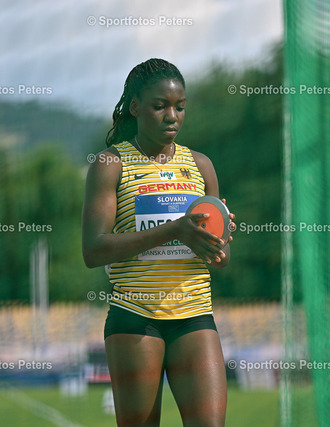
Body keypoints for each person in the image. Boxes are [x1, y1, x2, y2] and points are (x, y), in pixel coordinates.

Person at [82, 58, 234, 426]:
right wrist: (174, 229)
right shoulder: (110, 164)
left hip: (194, 316)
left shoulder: (201, 166)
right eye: (160, 106)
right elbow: (93, 250)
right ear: (135, 107)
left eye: (180, 106)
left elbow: (221, 259)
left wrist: (219, 237)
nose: (172, 116)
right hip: (135, 318)